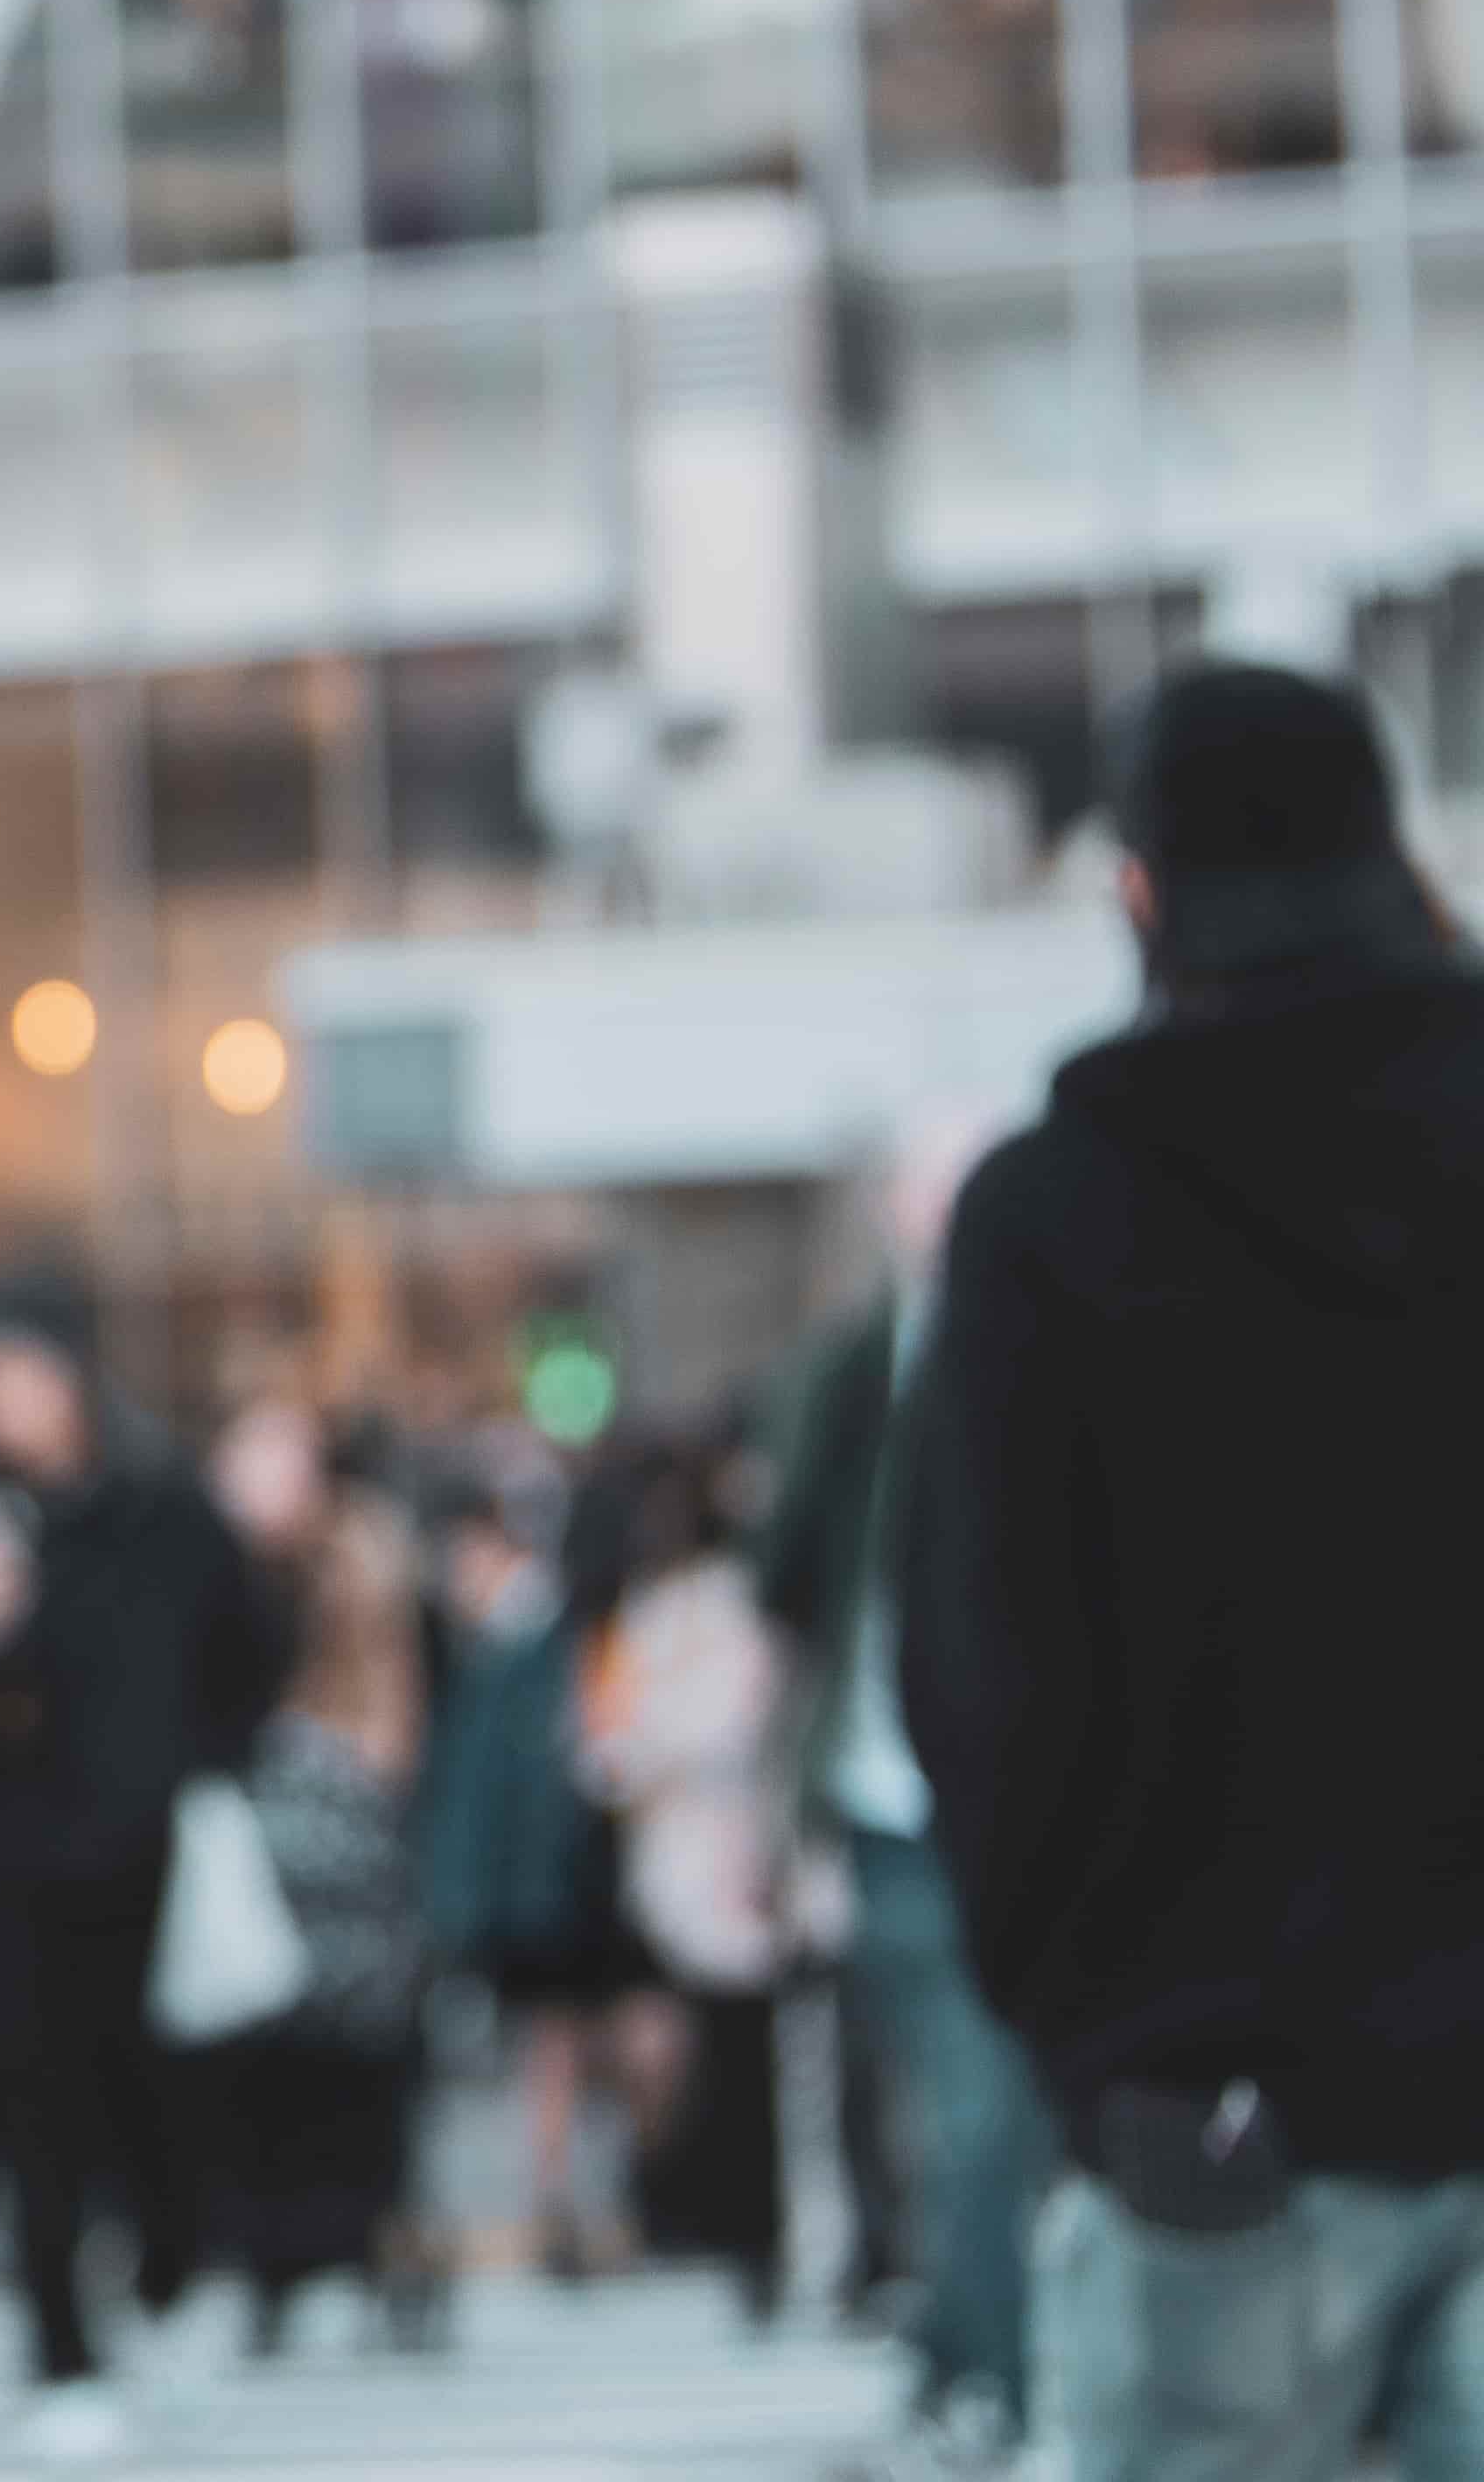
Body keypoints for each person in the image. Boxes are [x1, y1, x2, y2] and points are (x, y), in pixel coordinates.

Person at [900, 663, 1484, 2482]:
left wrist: (1091, 2021)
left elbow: (982, 1672)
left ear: (1143, 885)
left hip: (1210, 2087)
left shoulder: (1055, 1213)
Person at [0, 1305, 290, 2456]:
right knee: (35, 2108)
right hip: (14, 1869)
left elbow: (256, 1654)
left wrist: (201, 1768)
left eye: (27, 1372)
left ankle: (174, 2286)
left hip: (148, 1858)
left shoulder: (166, 1513)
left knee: (156, 2096)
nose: (11, 1399)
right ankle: (63, 2351)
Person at [760, 1111, 1053, 2463]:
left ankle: (971, 2347)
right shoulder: (859, 1363)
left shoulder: (1055, 1342)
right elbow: (792, 1577)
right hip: (894, 1791)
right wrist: (784, 1803)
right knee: (962, 2096)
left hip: (1032, 1788)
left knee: (1001, 2101)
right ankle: (986, 2359)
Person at [208, 1411, 445, 2352]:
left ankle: (353, 2251)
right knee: (264, 2052)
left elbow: (409, 1687)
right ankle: (279, 2259)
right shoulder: (224, 1564)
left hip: (358, 1836)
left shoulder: (368, 1557)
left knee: (360, 2052)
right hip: (263, 1835)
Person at [581, 1427, 793, 2320]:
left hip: (731, 1859)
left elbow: (733, 1725)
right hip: (661, 1867)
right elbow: (608, 1748)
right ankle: (675, 2207)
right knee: (664, 2053)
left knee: (742, 2056)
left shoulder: (737, 1604)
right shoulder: (641, 1613)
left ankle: (749, 2229)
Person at [418, 1469, 635, 2281]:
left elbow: (543, 1779)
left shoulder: (542, 1638)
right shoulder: (504, 1641)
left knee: (565, 2046)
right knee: (556, 2048)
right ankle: (569, 2202)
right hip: (528, 1885)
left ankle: (567, 2204)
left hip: (549, 1886)